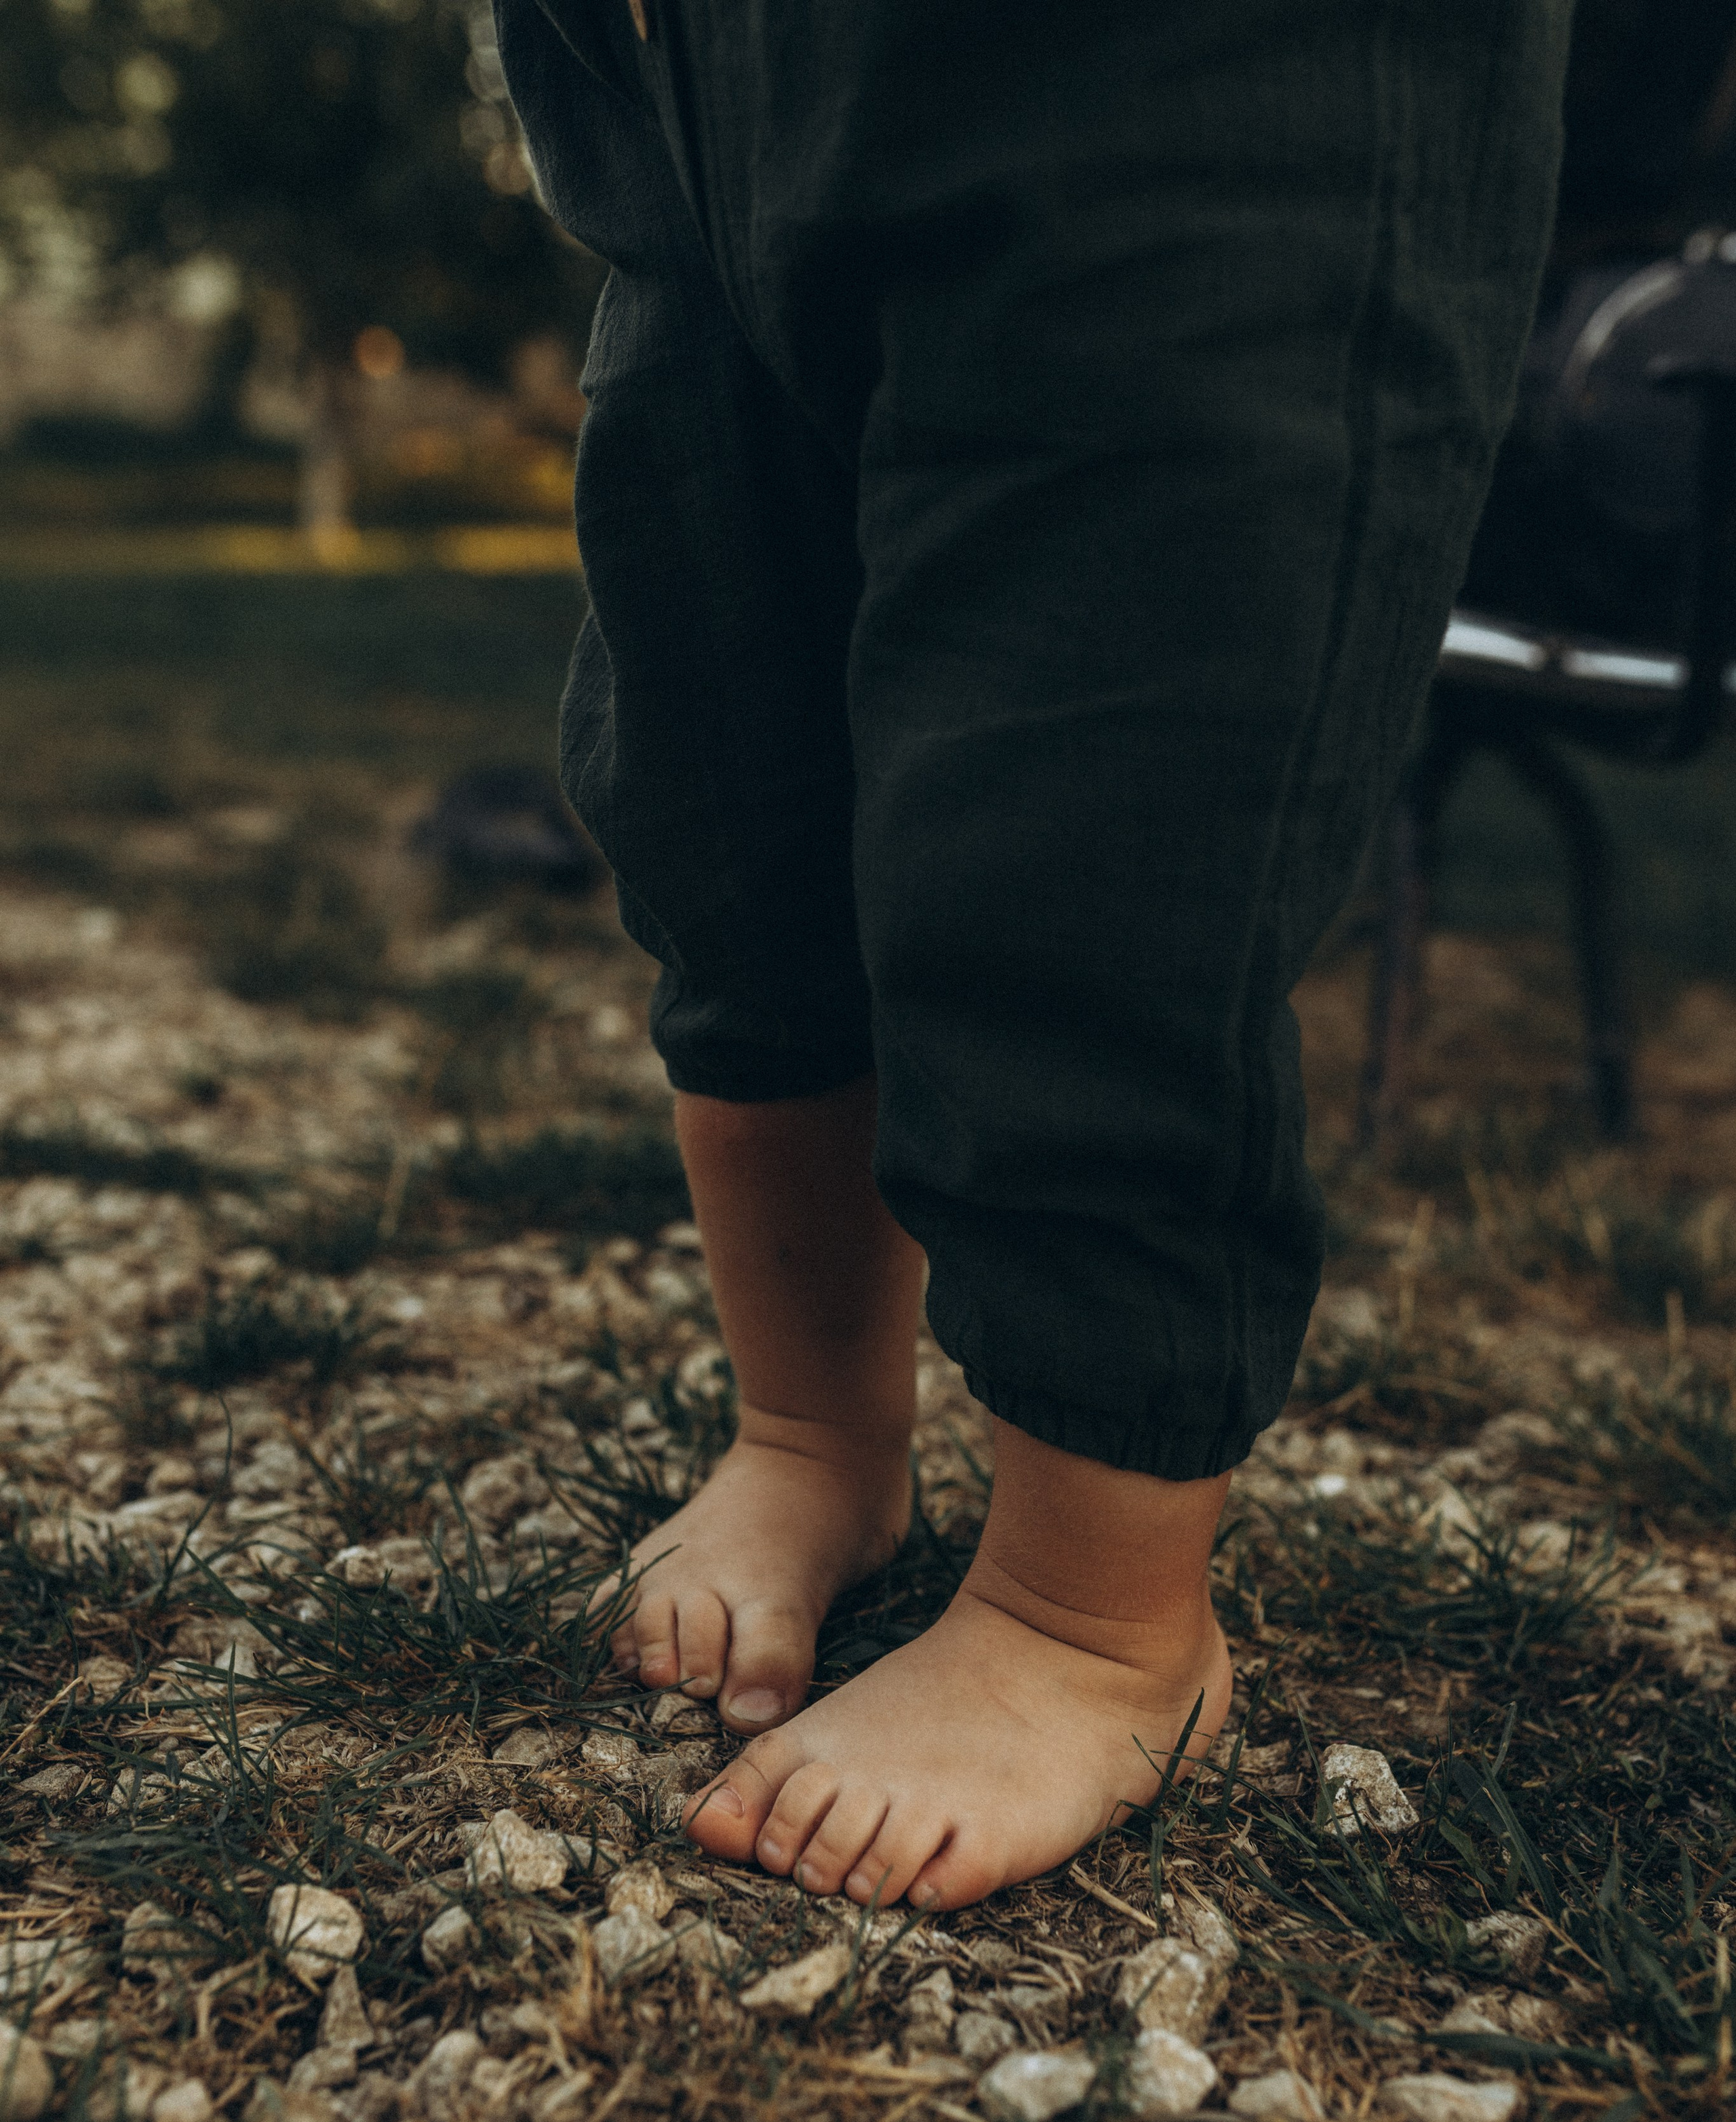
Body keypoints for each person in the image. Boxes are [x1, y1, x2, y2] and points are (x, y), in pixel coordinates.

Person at [495, 0, 1571, 1912]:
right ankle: (813, 1423)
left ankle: (1095, 1618)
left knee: (1091, 818)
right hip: (687, 83)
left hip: (1183, 89)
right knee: (722, 780)